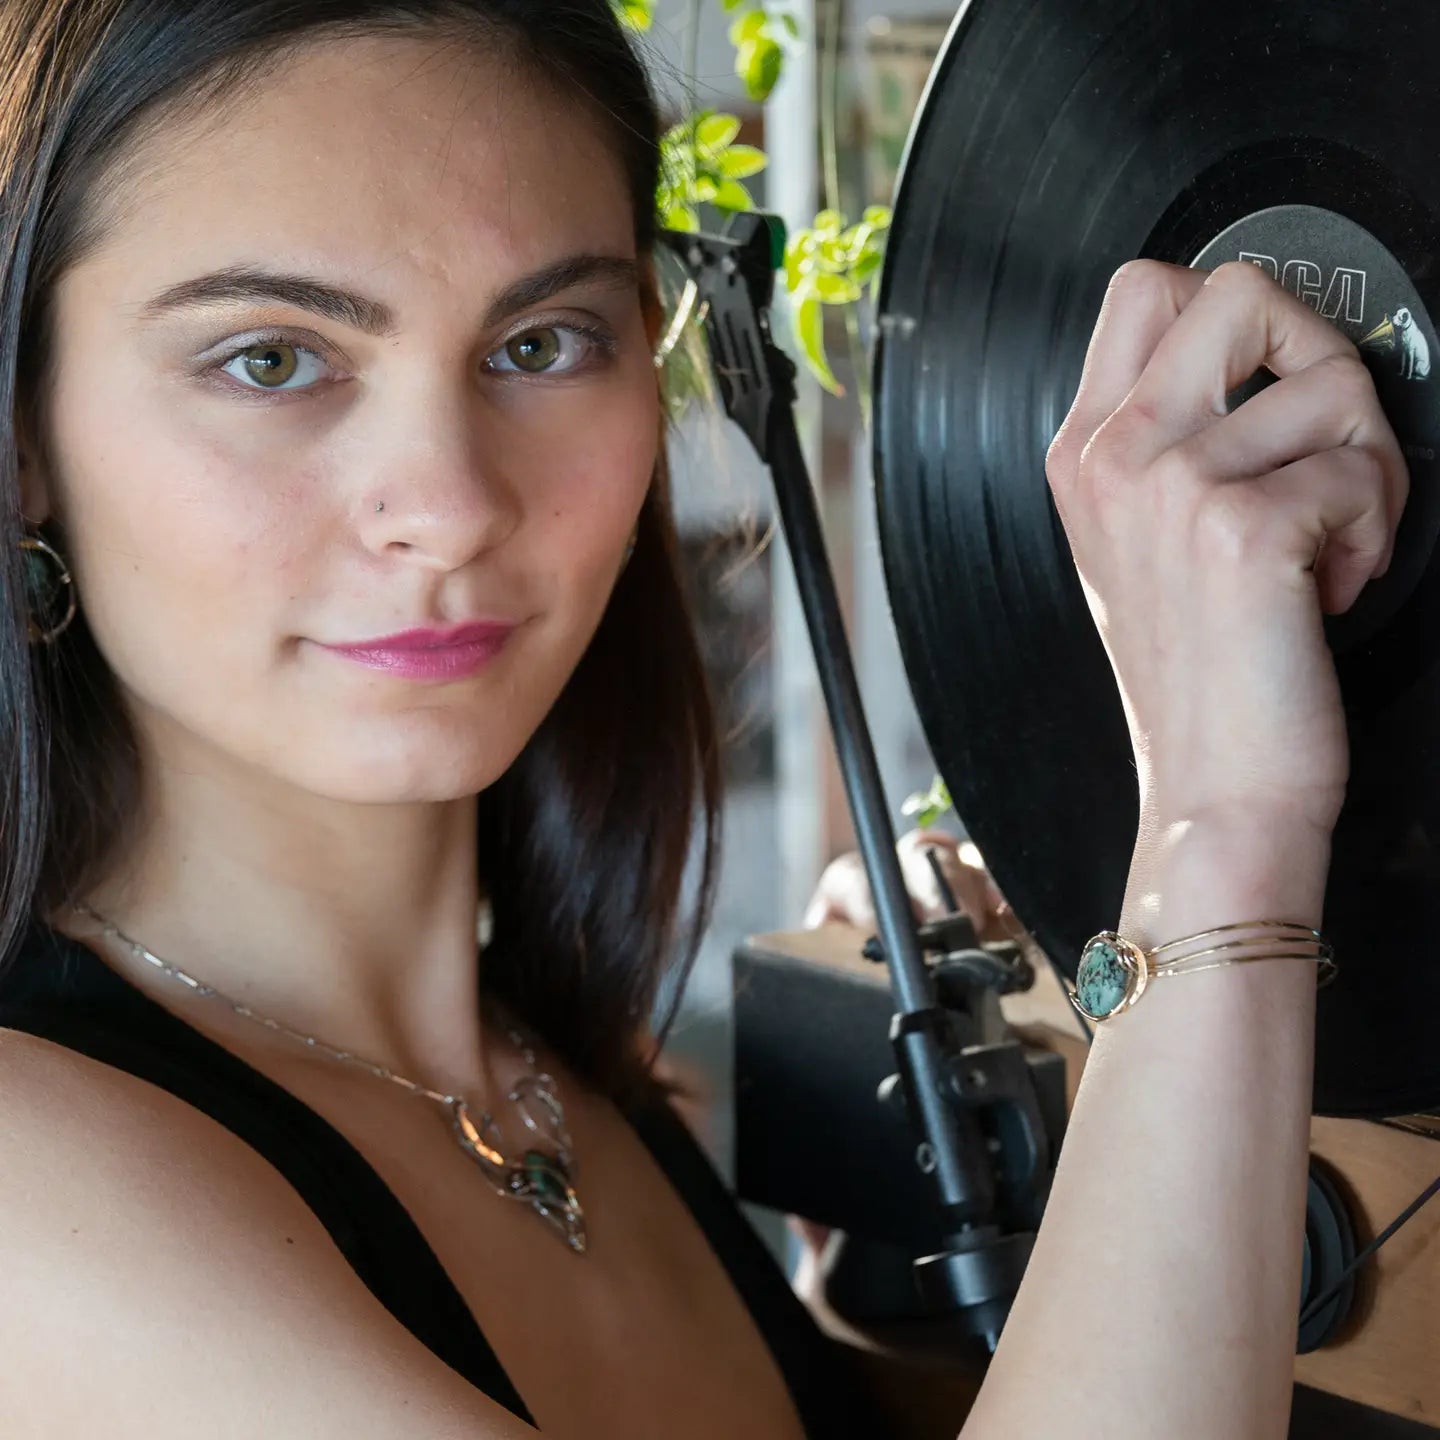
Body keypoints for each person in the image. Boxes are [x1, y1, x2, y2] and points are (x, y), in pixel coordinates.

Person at [0, 1, 1404, 1437]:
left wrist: (872, 1317)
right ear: (26, 443)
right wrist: (1222, 824)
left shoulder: (577, 1086)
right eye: (271, 360)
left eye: (541, 343)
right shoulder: (23, 1191)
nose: (450, 505)